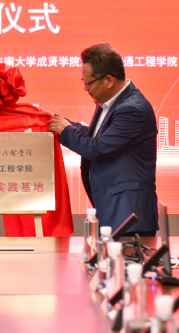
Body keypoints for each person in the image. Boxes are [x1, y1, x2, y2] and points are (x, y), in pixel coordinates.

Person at [47, 43, 159, 235]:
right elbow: (97, 135)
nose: (86, 88)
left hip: (129, 218)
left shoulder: (133, 109)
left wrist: (66, 131)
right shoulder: (111, 103)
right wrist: (59, 122)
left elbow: (99, 148)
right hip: (113, 212)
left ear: (108, 80)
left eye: (88, 83)